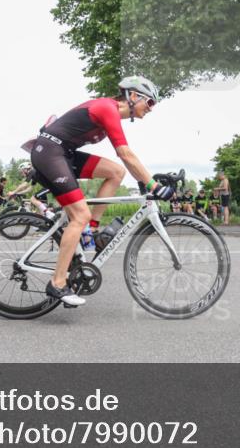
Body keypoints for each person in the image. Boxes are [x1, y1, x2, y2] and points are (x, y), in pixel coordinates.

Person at [28, 75, 172, 307]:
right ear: (133, 96)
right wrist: (153, 185)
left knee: (115, 172)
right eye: (150, 102)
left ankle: (90, 232)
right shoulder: (108, 108)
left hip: (62, 153)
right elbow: (125, 153)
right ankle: (57, 283)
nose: (151, 109)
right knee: (80, 214)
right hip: (51, 153)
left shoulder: (110, 112)